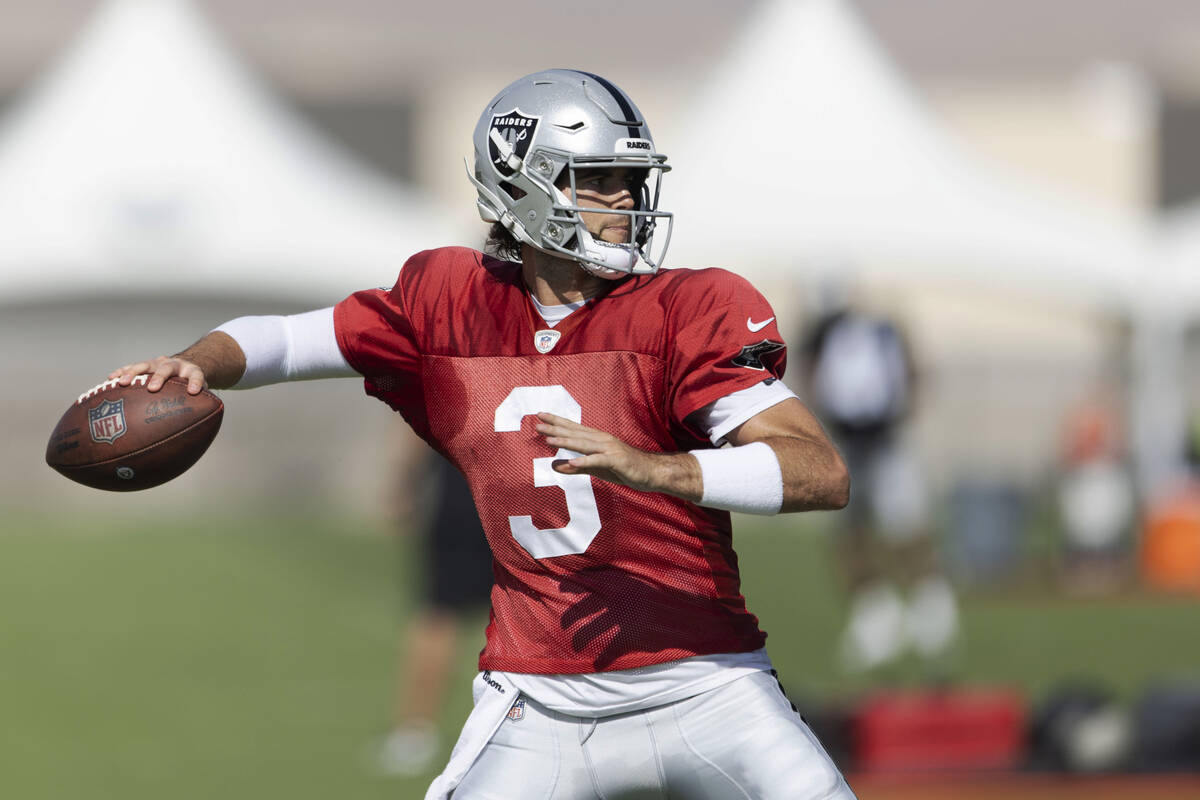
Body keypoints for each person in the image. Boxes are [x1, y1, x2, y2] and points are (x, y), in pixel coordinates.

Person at [109, 70, 855, 799]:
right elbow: (285, 340)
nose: (625, 201)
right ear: (525, 186)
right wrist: (192, 363)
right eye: (598, 179)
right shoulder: (447, 303)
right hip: (542, 705)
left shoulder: (687, 308)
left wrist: (658, 469)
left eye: (631, 180)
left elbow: (820, 471)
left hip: (711, 685)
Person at [800, 299, 958, 673]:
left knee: (899, 528)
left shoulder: (862, 330)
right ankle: (885, 615)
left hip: (878, 442)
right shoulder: (856, 330)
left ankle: (926, 611)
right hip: (859, 442)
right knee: (856, 532)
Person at [379, 431, 493, 776]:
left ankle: (414, 732)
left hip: (465, 492)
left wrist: (404, 484)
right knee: (535, 615)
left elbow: (417, 424)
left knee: (439, 616)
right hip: (534, 497)